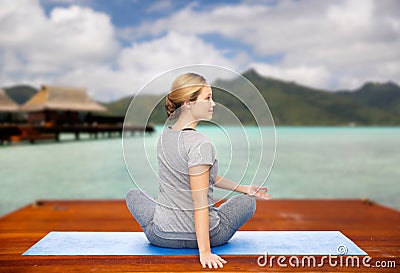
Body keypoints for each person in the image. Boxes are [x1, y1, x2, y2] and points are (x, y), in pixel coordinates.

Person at [126, 72, 271, 269]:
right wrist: (205, 252)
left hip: (162, 236)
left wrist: (243, 187)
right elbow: (200, 201)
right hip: (210, 236)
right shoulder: (201, 144)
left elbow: (205, 178)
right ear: (188, 103)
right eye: (208, 98)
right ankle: (199, 230)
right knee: (247, 203)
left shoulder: (165, 137)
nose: (214, 104)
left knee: (133, 194)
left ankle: (166, 210)